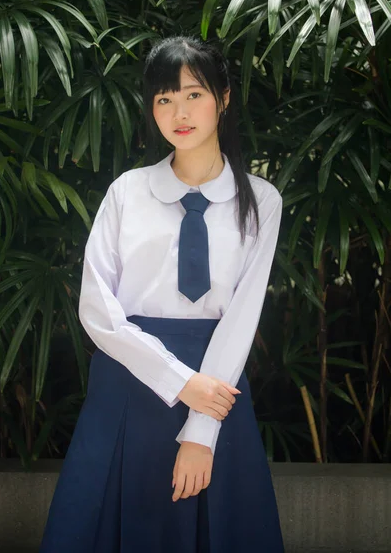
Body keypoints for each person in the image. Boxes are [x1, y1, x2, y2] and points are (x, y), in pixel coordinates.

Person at [39, 35, 285, 552]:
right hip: (127, 382)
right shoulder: (127, 192)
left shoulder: (261, 200)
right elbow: (98, 309)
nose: (180, 112)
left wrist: (200, 430)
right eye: (164, 99)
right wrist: (178, 380)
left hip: (216, 389)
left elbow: (241, 318)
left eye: (194, 94)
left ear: (223, 97)